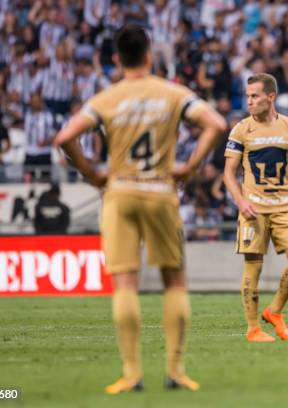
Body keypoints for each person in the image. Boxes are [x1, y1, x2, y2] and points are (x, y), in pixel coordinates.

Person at [54, 25, 226, 394]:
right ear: (149, 55)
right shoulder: (172, 93)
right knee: (174, 281)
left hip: (120, 192)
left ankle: (132, 374)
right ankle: (176, 371)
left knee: (125, 283)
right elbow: (216, 123)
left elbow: (65, 138)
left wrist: (92, 175)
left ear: (117, 59)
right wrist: (189, 167)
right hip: (160, 189)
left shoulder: (107, 98)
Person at [223, 73, 288, 343]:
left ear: (270, 97)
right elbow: (228, 173)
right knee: (254, 267)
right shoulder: (241, 129)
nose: (248, 101)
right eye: (247, 96)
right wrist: (241, 201)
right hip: (254, 208)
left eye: (254, 96)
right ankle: (253, 329)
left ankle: (274, 312)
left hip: (284, 205)